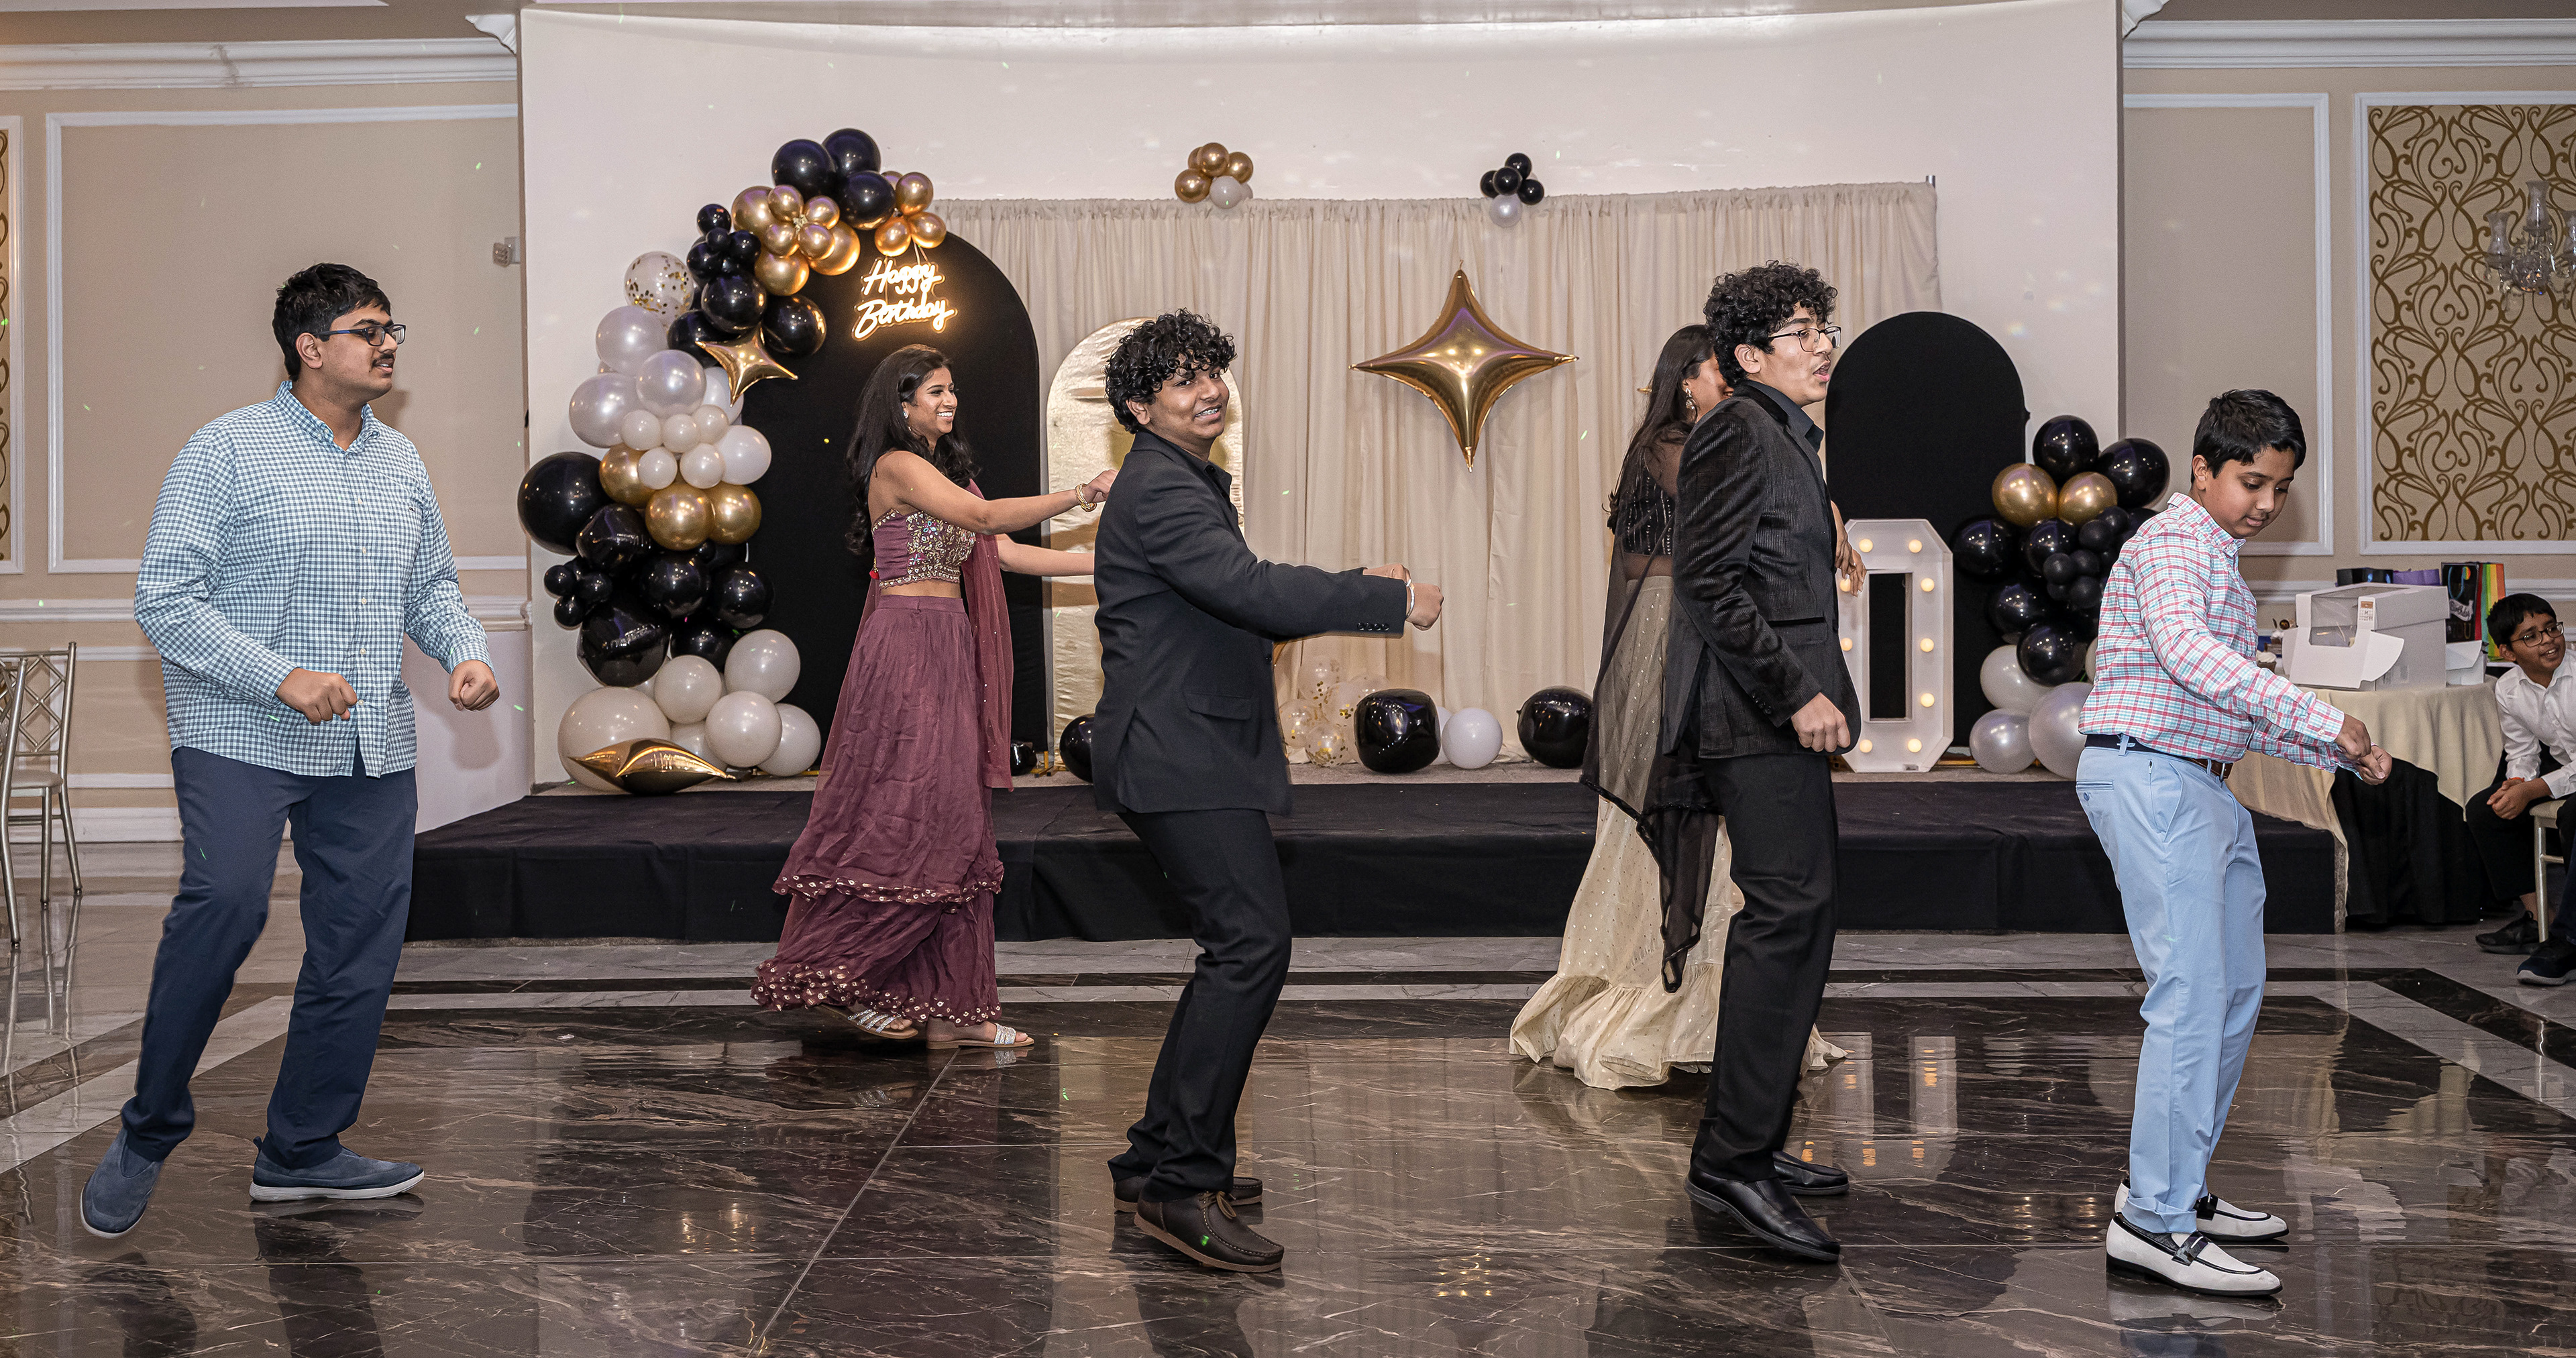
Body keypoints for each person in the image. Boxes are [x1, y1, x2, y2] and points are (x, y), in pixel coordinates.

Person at [85, 262, 500, 1239]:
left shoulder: (400, 461)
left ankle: (303, 1147)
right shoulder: (225, 450)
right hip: (240, 730)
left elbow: (431, 587)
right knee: (224, 904)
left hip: (368, 744)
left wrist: (466, 652)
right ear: (310, 348)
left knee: (359, 944)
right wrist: (282, 677)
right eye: (368, 330)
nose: (388, 345)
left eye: (392, 329)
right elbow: (166, 600)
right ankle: (149, 1128)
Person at [1090, 310, 1441, 1273]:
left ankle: (1154, 1155)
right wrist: (1387, 598)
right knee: (1250, 948)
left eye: (1213, 371)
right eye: (1183, 379)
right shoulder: (1162, 486)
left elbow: (1233, 597)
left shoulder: (1178, 476)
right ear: (1140, 407)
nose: (1209, 390)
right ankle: (1180, 1186)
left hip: (1186, 746)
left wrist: (1352, 580)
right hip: (1178, 752)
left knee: (1233, 947)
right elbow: (1249, 590)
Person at [2077, 388, 2392, 1297]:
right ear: (2203, 469)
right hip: (2151, 776)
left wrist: (2334, 750)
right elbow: (2190, 655)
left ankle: (2177, 1188)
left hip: (2199, 780)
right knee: (2190, 998)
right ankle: (2153, 1222)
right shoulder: (2174, 543)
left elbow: (2223, 706)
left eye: (2281, 488)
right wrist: (2326, 717)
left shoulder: (2213, 553)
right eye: (2252, 482)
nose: (2266, 502)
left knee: (2232, 995)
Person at [1511, 324, 1846, 1098]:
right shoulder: (1672, 446)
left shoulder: (1729, 443)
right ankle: (1664, 1005)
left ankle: (1722, 1020)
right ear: (1685, 382)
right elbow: (1724, 529)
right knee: (1676, 822)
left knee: (1727, 841)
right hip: (1676, 642)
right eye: (1716, 372)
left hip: (1702, 639)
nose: (1730, 383)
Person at [753, 345, 1112, 1049]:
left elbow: (1002, 553)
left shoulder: (948, 475)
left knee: (955, 818)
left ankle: (956, 1009)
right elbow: (986, 521)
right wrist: (1081, 493)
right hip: (906, 645)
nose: (950, 401)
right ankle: (839, 979)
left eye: (953, 390)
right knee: (902, 813)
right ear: (902, 402)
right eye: (937, 391)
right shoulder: (897, 466)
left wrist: (1111, 564)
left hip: (947, 644)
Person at [1660, 264, 1862, 1264]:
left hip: (1772, 720)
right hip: (1753, 721)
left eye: (1824, 328)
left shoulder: (1784, 433)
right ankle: (1731, 1162)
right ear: (1747, 355)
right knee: (1786, 921)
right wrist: (1796, 693)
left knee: (1797, 920)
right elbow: (1706, 583)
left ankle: (1751, 1140)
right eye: (1799, 331)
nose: (1821, 345)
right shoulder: (1740, 428)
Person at [2461, 594, 2576, 976]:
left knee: (2574, 815)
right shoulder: (2508, 689)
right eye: (2531, 636)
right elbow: (2523, 752)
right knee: (2487, 809)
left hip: (2567, 778)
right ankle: (2541, 919)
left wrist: (2535, 789)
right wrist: (2516, 784)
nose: (2548, 641)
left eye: (2551, 628)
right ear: (2508, 653)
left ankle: (2569, 938)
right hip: (2565, 773)